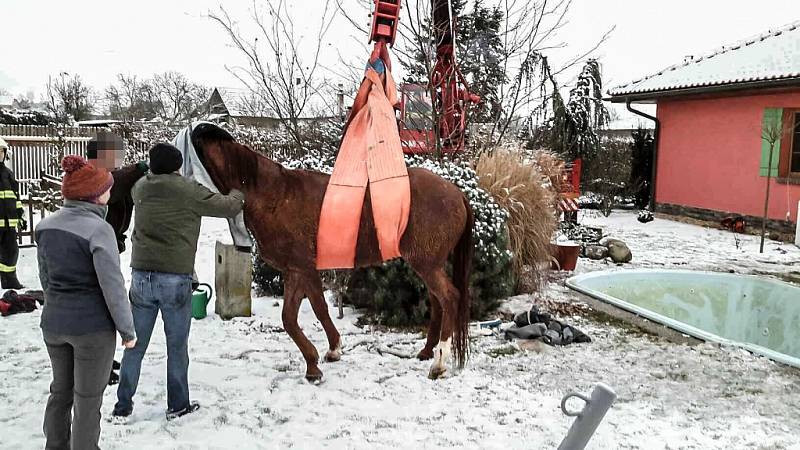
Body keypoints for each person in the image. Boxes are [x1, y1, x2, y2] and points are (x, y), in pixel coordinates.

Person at [114, 143, 245, 420]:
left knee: (134, 345)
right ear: (177, 166)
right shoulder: (188, 190)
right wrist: (237, 189)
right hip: (175, 278)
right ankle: (178, 405)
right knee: (176, 347)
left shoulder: (140, 188)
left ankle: (123, 405)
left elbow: (127, 180)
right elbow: (229, 207)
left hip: (140, 277)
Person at [36, 155, 137, 450]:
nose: (110, 191)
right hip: (91, 331)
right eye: (107, 188)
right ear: (94, 195)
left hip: (54, 325)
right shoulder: (99, 230)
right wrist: (128, 332)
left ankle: (55, 446)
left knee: (60, 392)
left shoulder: (45, 227)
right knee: (87, 400)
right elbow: (112, 286)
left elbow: (46, 278)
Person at [85, 130, 149, 253]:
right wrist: (137, 169)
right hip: (93, 244)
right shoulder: (90, 176)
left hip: (108, 242)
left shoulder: (115, 175)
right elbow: (113, 184)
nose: (119, 158)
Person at [0, 136, 27, 289]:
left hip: (9, 223)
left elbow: (16, 198)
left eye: (1, 152)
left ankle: (9, 280)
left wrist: (20, 215)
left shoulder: (8, 174)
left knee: (11, 252)